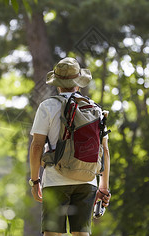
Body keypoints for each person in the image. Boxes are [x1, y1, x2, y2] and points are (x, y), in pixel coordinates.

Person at [29, 57, 111, 236]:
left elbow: (36, 146)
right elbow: (104, 151)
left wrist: (35, 181)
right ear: (78, 83)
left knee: (52, 233)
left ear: (57, 84)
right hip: (87, 180)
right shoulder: (95, 109)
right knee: (81, 234)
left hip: (55, 179)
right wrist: (103, 187)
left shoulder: (48, 106)